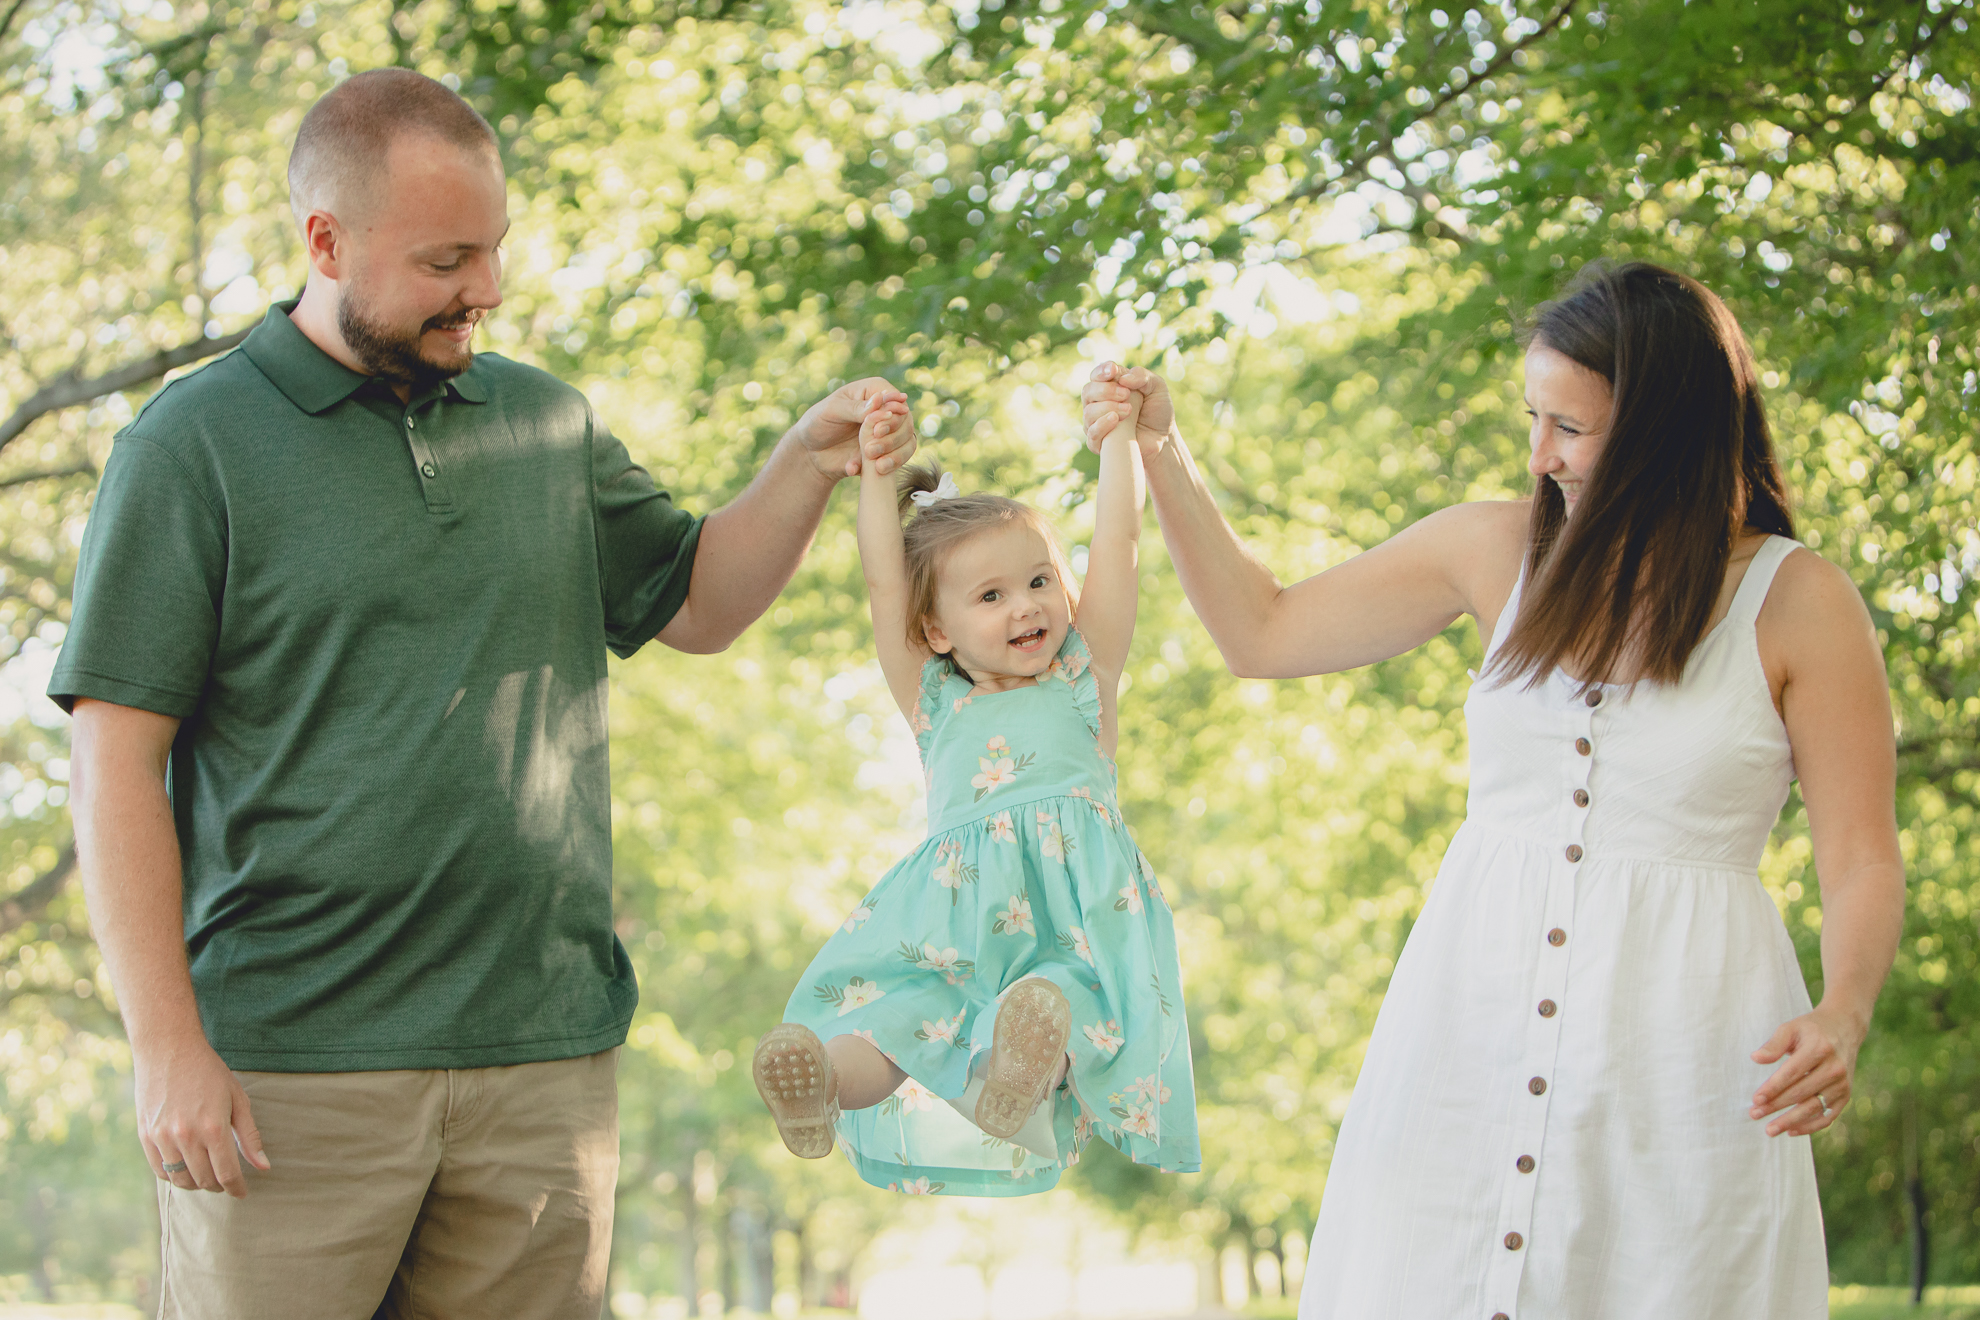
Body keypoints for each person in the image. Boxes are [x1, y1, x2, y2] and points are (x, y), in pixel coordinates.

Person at [52, 68, 913, 1319]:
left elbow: (701, 603)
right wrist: (166, 1048)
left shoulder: (547, 424)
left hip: (542, 1069)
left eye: (497, 250)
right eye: (447, 260)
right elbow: (113, 761)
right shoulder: (192, 450)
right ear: (326, 240)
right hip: (289, 1078)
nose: (489, 292)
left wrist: (804, 465)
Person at [1081, 262, 1905, 1317]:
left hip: (1684, 1056)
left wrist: (1844, 1011)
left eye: (1572, 426)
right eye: (1534, 416)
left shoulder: (1800, 602)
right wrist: (1161, 448)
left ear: (1664, 429)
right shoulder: (1495, 549)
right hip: (1463, 1036)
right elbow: (1263, 630)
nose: (1540, 455)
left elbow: (1860, 853)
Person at [750, 391, 1200, 1195]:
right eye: (990, 597)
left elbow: (1120, 542)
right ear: (938, 631)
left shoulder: (1083, 677)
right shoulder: (935, 700)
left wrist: (1119, 444)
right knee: (891, 1022)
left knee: (1049, 1001)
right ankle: (820, 1085)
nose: (1025, 604)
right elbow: (887, 586)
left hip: (1066, 926)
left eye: (1037, 581)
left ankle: (1010, 1086)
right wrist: (875, 475)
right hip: (949, 927)